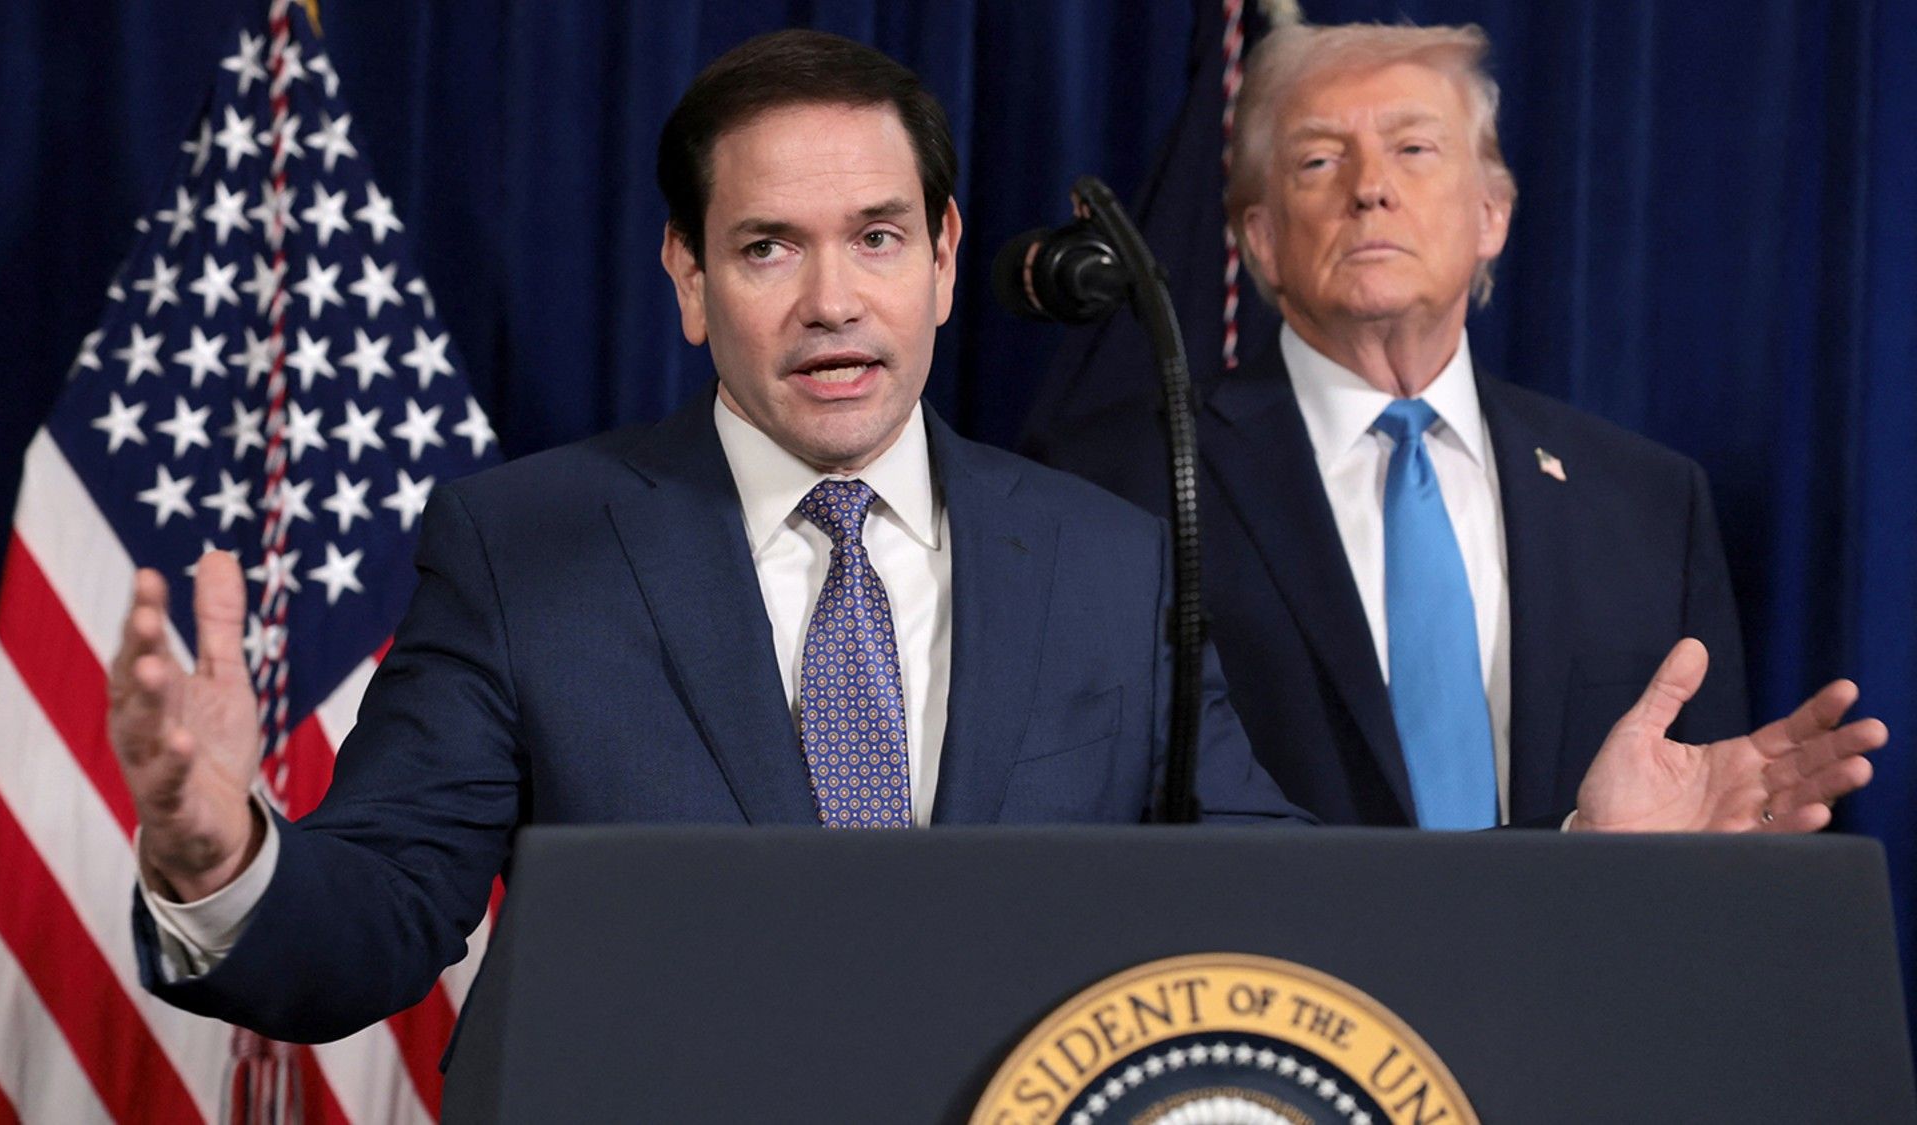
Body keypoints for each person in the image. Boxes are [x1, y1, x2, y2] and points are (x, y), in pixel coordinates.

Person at [109, 29, 1883, 1044]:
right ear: (688, 279)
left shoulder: (1104, 558)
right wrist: (220, 852)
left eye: (879, 236)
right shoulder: (530, 547)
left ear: (949, 261)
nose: (833, 300)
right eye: (769, 247)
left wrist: (1579, 857)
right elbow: (375, 924)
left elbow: (1290, 906)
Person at [1034, 22, 1754, 828]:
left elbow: (1702, 827)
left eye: (1414, 149)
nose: (1370, 188)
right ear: (1262, 239)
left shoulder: (1649, 504)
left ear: (1491, 214)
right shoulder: (1118, 481)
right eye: (1319, 160)